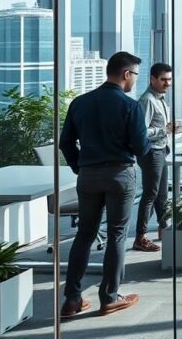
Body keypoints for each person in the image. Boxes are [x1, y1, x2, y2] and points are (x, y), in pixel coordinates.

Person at [59, 51, 149, 317]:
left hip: (87, 176)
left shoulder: (80, 102)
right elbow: (142, 147)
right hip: (119, 175)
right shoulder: (130, 106)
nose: (134, 81)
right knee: (117, 235)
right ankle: (109, 297)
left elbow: (65, 143)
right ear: (125, 74)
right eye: (134, 75)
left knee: (84, 235)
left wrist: (80, 166)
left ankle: (72, 299)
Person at [133, 62, 180, 252]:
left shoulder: (160, 98)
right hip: (151, 152)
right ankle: (140, 237)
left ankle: (164, 228)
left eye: (169, 80)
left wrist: (169, 130)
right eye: (163, 80)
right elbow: (141, 132)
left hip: (161, 149)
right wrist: (164, 129)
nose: (168, 83)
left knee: (162, 194)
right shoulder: (147, 100)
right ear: (152, 79)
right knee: (150, 194)